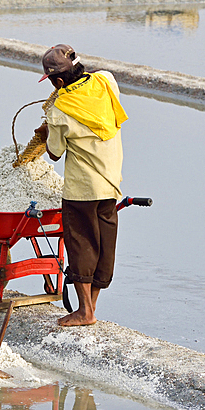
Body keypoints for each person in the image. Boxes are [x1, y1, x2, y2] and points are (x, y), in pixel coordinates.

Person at [34, 45, 127, 327]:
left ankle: (85, 312)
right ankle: (92, 306)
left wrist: (48, 128)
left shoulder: (60, 110)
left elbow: (54, 152)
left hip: (82, 189)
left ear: (58, 82)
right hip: (111, 182)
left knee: (83, 245)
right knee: (104, 245)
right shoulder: (105, 81)